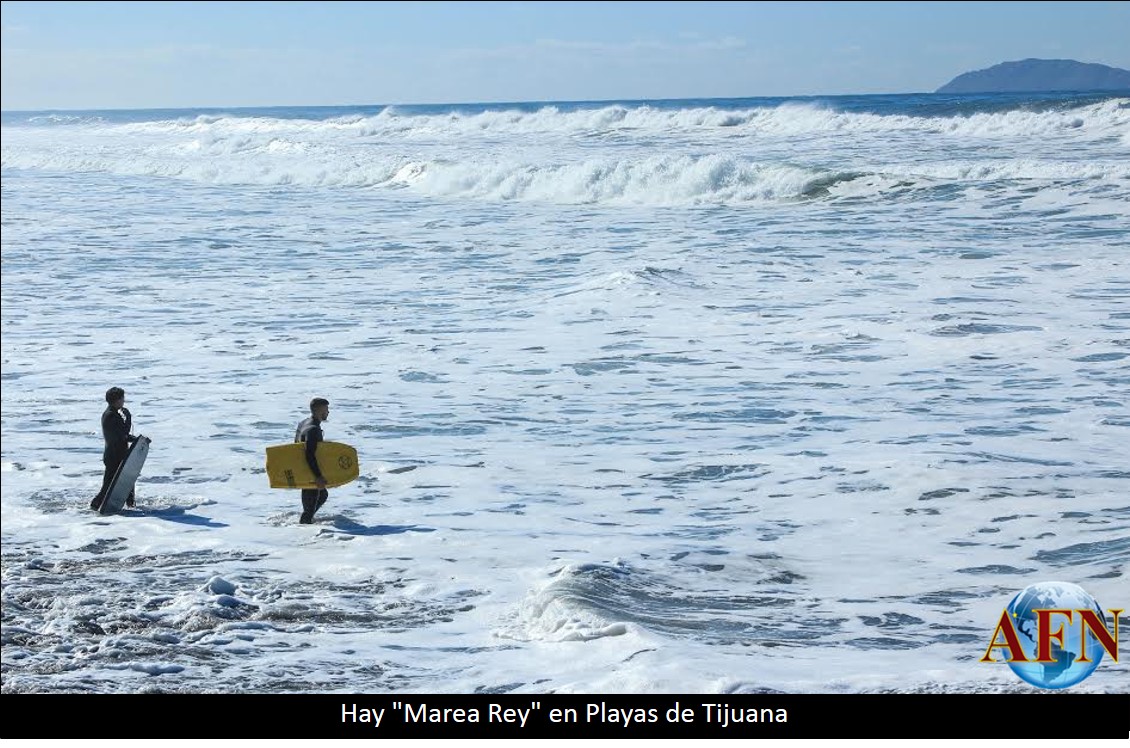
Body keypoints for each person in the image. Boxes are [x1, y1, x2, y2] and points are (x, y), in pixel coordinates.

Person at [90, 386, 138, 510]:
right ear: (117, 400)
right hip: (113, 457)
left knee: (128, 483)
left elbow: (122, 435)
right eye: (122, 398)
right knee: (107, 487)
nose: (124, 401)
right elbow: (123, 435)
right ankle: (93, 508)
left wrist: (137, 440)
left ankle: (132, 507)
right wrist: (128, 418)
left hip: (119, 455)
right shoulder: (110, 415)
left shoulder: (113, 414)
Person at [295, 397, 330, 524]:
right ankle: (305, 532)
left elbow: (296, 447)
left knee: (321, 496)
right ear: (319, 410)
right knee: (310, 510)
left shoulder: (303, 423)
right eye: (326, 409)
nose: (328, 412)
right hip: (310, 471)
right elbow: (309, 454)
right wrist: (318, 476)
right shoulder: (313, 429)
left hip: (303, 469)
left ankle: (305, 523)